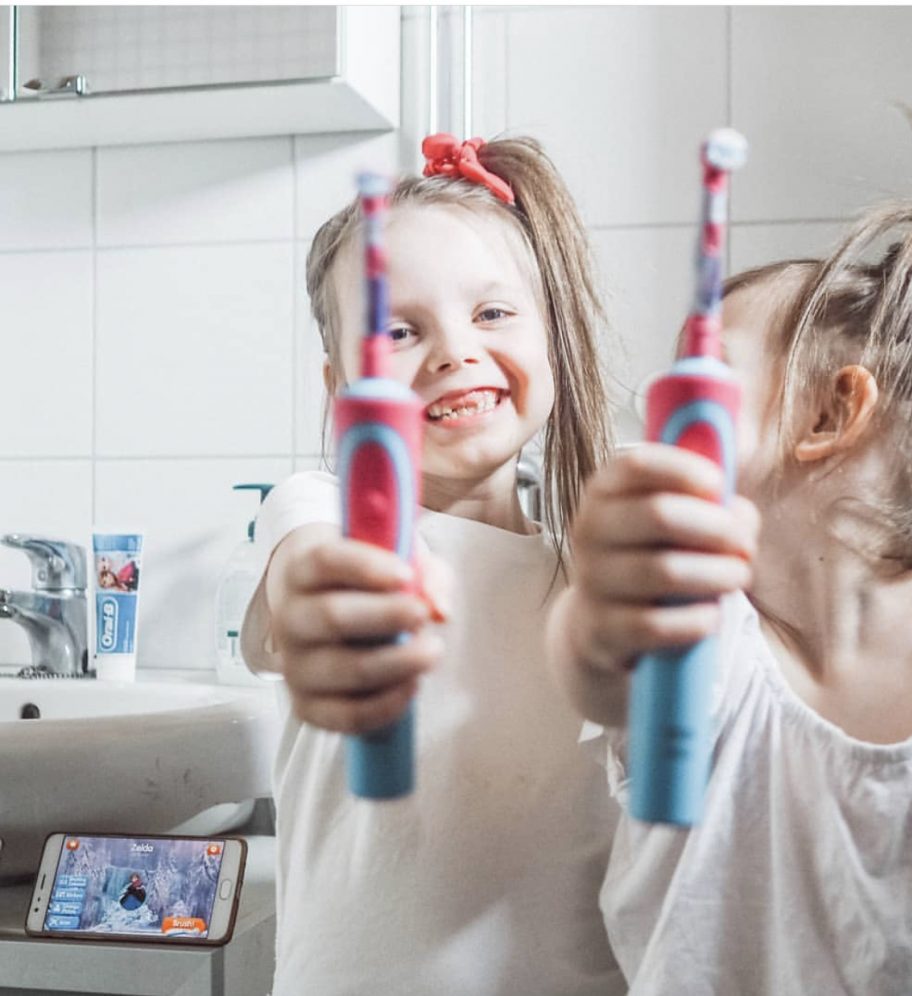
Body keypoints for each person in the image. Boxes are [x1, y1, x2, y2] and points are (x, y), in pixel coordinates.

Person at [546, 134, 912, 994]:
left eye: (703, 370)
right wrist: (602, 601)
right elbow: (605, 670)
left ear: (831, 412)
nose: (656, 397)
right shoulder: (712, 638)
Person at [240, 134, 626, 995]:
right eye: (402, 330)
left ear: (552, 341)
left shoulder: (595, 584)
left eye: (493, 314)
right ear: (342, 389)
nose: (455, 352)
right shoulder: (322, 513)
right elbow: (309, 583)